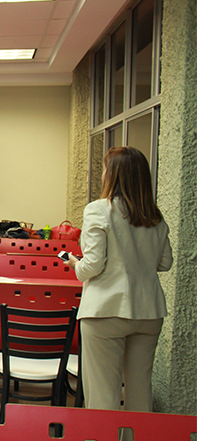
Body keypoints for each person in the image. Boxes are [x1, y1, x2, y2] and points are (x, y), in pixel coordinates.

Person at [64, 146, 171, 412]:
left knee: (103, 394)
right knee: (140, 390)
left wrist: (75, 265)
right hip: (148, 312)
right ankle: (137, 440)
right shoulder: (154, 217)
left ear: (113, 174)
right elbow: (165, 263)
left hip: (106, 310)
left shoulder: (99, 210)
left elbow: (92, 266)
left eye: (104, 169)